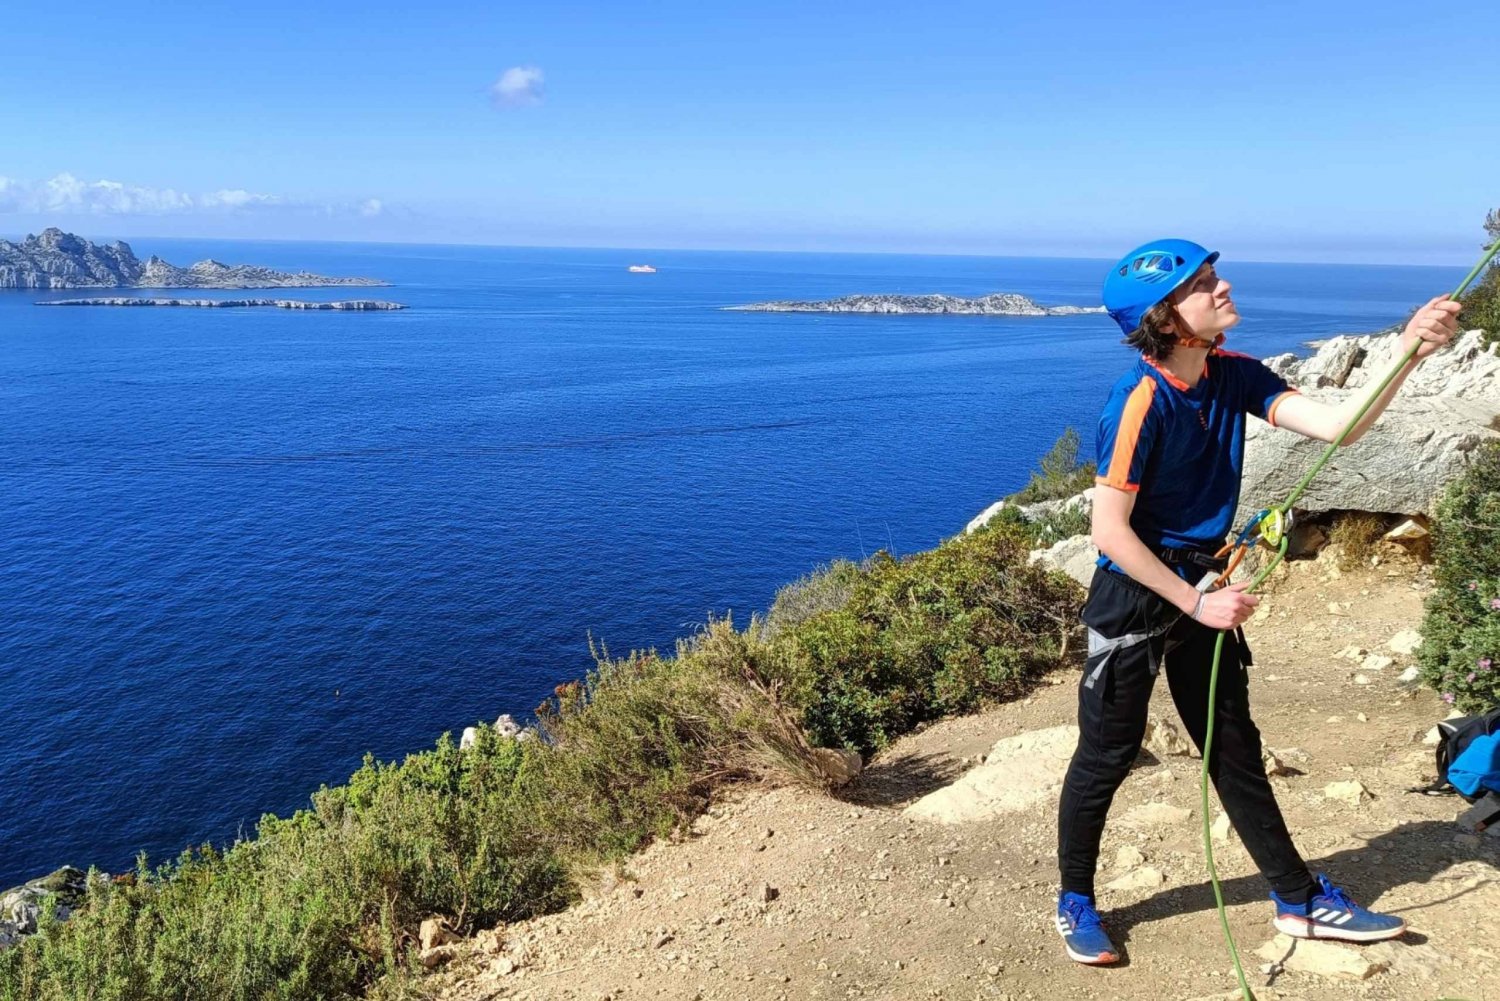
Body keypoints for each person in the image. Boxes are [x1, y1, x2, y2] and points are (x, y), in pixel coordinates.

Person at [1053, 239, 1462, 966]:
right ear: (1165, 317)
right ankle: (1075, 898)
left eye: (1214, 277)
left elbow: (1342, 427)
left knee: (1233, 748)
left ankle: (1298, 899)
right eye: (1204, 284)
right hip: (1141, 595)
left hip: (1203, 585)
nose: (1224, 287)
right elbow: (1109, 532)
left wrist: (1408, 351)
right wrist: (1194, 600)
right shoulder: (1141, 401)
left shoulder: (1233, 373)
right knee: (1109, 752)